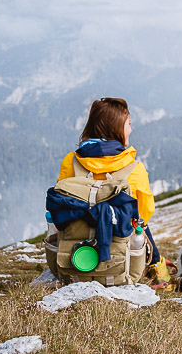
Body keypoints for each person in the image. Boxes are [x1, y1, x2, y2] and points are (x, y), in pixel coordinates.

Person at [57, 97, 171, 288]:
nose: (131, 130)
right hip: (120, 255)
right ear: (115, 129)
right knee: (139, 222)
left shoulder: (71, 162)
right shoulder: (135, 169)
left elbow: (60, 202)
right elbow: (145, 213)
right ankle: (159, 273)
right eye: (128, 124)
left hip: (74, 247)